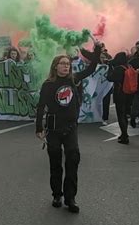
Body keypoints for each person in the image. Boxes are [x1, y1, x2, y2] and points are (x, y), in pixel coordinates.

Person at [35, 43, 102, 213]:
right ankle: (57, 194)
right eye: (62, 63)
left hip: (71, 128)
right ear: (55, 66)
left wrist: (97, 50)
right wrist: (38, 127)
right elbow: (41, 106)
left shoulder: (75, 79)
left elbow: (92, 67)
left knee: (73, 160)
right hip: (54, 129)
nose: (66, 66)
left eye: (67, 64)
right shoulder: (48, 84)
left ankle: (70, 197)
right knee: (55, 163)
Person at [107, 52, 132, 143]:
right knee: (124, 114)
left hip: (120, 93)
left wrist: (110, 67)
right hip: (128, 93)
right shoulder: (128, 66)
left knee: (120, 115)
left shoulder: (119, 69)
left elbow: (110, 78)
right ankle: (124, 133)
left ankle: (124, 136)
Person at [100, 51, 112, 126]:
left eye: (104, 57)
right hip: (98, 88)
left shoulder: (110, 66)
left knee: (106, 102)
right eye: (101, 57)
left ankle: (105, 118)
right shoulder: (96, 66)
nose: (102, 59)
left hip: (107, 87)